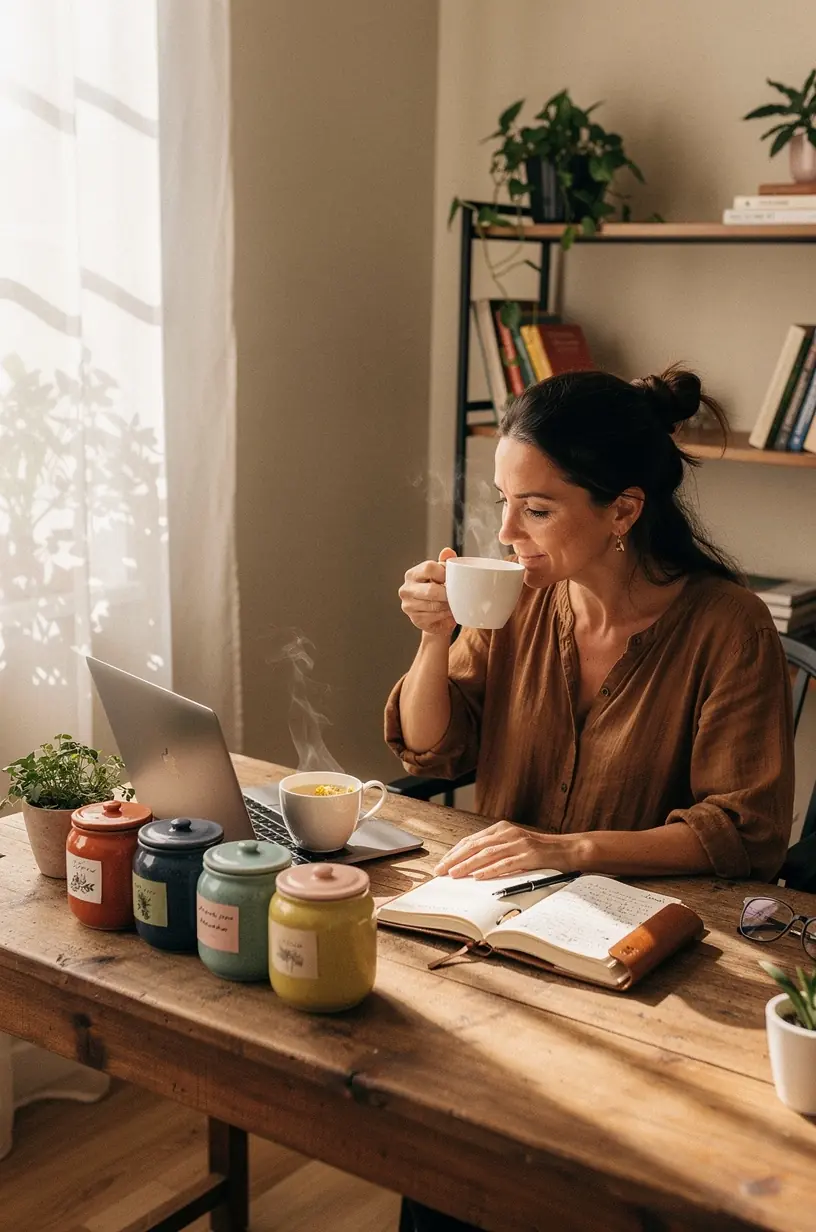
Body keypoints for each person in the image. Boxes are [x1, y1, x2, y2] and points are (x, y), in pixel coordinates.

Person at [385, 366, 794, 886]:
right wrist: (435, 634)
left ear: (623, 510)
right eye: (504, 502)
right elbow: (432, 750)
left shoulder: (731, 630)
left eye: (536, 510)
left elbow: (741, 832)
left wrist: (570, 850)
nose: (506, 532)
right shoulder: (515, 596)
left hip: (651, 914)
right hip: (500, 899)